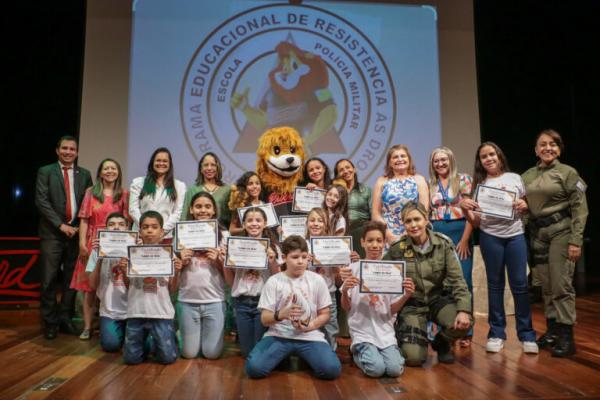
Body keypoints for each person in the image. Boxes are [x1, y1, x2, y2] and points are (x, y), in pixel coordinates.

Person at [460, 142, 538, 354]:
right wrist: (465, 210)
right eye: (484, 156)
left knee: (520, 285)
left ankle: (527, 334)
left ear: (499, 156)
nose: (489, 158)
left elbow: (524, 206)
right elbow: (475, 222)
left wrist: (525, 206)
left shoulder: (515, 178)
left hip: (515, 236)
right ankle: (496, 333)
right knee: (494, 285)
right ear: (480, 162)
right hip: (490, 237)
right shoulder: (478, 184)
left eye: (492, 154)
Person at [521, 130, 588, 357]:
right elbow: (525, 206)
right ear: (535, 150)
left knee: (561, 285)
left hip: (561, 232)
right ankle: (552, 331)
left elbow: (580, 208)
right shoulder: (527, 175)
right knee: (546, 286)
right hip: (537, 234)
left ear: (559, 149)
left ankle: (567, 338)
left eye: (553, 144)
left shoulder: (567, 173)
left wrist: (576, 241)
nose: (547, 148)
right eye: (542, 144)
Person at [384, 202, 472, 365]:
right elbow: (380, 274)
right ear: (403, 224)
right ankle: (406, 334)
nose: (413, 225)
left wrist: (463, 310)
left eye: (417, 219)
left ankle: (442, 342)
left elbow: (458, 280)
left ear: (426, 219)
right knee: (414, 359)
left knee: (464, 323)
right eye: (408, 221)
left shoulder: (443, 244)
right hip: (413, 306)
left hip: (438, 301)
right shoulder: (397, 249)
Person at [245, 235, 342, 380]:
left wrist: (310, 326)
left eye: (304, 257)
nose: (300, 261)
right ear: (284, 257)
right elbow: (265, 319)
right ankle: (284, 356)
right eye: (295, 257)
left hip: (309, 335)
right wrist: (281, 314)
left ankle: (300, 357)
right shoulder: (274, 281)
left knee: (331, 370)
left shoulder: (317, 280)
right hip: (279, 335)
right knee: (254, 369)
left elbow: (325, 314)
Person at [35, 135, 93, 339]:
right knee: (49, 279)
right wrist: (61, 226)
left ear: (77, 152)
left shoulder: (84, 174)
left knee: (71, 280)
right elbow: (41, 201)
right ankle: (50, 323)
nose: (68, 152)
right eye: (65, 148)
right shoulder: (46, 171)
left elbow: (88, 204)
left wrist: (78, 228)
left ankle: (64, 319)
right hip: (52, 233)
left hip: (76, 235)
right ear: (57, 150)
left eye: (72, 149)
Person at [340, 221, 415, 378]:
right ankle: (357, 351)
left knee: (394, 370)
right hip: (362, 332)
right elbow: (346, 307)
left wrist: (406, 295)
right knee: (376, 369)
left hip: (385, 331)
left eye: (379, 241)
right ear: (362, 242)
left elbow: (392, 309)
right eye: (370, 240)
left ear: (385, 243)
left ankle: (384, 353)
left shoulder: (393, 271)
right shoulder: (353, 269)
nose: (375, 245)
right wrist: (345, 289)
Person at [72, 158, 129, 340]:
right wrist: (82, 243)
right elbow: (84, 219)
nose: (110, 171)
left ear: (118, 172)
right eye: (106, 168)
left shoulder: (124, 194)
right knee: (89, 287)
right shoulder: (91, 192)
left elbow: (129, 222)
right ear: (100, 172)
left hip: (117, 245)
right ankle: (88, 326)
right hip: (93, 243)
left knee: (114, 281)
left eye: (113, 168)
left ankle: (112, 322)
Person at [119, 211, 181, 365]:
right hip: (136, 311)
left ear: (162, 232)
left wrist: (177, 270)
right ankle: (147, 342)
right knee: (130, 360)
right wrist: (122, 270)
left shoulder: (170, 255)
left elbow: (172, 289)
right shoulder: (131, 254)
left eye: (154, 227)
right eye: (145, 227)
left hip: (161, 312)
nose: (149, 230)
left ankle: (160, 340)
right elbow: (127, 286)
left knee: (167, 359)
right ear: (139, 231)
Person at [428, 147, 474, 347]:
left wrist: (464, 240)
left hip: (460, 231)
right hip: (437, 232)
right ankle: (444, 326)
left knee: (464, 280)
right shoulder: (430, 184)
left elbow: (471, 213)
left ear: (451, 160)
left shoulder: (463, 180)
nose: (440, 164)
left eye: (443, 160)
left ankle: (466, 329)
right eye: (436, 161)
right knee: (440, 281)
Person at [174, 192, 228, 359]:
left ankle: (207, 334)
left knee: (211, 354)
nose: (202, 210)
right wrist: (181, 261)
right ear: (191, 209)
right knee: (189, 354)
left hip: (215, 300)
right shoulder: (181, 233)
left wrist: (219, 260)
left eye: (207, 206)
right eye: (198, 206)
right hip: (187, 301)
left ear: (213, 211)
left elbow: (229, 277)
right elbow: (175, 271)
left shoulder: (224, 235)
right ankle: (179, 333)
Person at [222, 207, 281, 357]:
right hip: (241, 303)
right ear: (244, 223)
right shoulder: (235, 246)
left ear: (265, 223)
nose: (254, 224)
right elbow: (230, 281)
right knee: (247, 351)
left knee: (260, 350)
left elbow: (278, 279)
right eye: (249, 220)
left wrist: (273, 261)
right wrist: (224, 262)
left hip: (263, 303)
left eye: (258, 220)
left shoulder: (273, 248)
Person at [87, 212, 131, 352]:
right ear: (105, 229)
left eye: (121, 224)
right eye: (111, 225)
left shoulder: (135, 249)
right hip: (109, 311)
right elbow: (92, 285)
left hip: (133, 311)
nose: (116, 228)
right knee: (110, 346)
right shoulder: (97, 251)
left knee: (147, 346)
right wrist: (100, 257)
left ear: (127, 229)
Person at [373, 145, 429, 244]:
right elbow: (376, 214)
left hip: (414, 231)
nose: (400, 159)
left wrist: (410, 232)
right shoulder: (381, 181)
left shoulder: (419, 180)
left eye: (403, 156)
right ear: (390, 162)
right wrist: (386, 233)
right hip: (389, 235)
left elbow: (424, 211)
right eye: (395, 157)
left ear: (409, 159)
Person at [129, 147, 186, 242]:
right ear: (152, 163)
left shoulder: (179, 186)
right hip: (141, 236)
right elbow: (133, 209)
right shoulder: (138, 183)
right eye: (158, 160)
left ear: (170, 164)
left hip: (165, 236)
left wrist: (161, 231)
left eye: (165, 161)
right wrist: (145, 228)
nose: (161, 164)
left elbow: (177, 212)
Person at [305, 207, 340, 350]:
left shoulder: (333, 244)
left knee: (331, 327)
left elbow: (337, 276)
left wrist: (337, 262)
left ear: (326, 224)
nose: (316, 224)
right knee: (312, 326)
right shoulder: (303, 245)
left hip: (329, 293)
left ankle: (331, 352)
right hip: (308, 294)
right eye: (312, 220)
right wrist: (305, 262)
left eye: (320, 221)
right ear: (306, 223)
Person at [183, 152, 232, 228]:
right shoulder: (192, 190)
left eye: (213, 165)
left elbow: (232, 219)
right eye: (206, 165)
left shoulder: (227, 190)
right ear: (201, 169)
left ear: (218, 168)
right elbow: (184, 218)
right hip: (196, 234)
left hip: (221, 235)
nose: (209, 168)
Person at [334, 159, 372, 258]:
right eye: (341, 170)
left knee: (361, 265)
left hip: (361, 231)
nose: (345, 171)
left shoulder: (366, 190)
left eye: (348, 167)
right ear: (337, 174)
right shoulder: (334, 192)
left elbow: (374, 214)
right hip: (341, 232)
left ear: (354, 169)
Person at [228, 171, 267, 236]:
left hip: (264, 243)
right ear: (244, 187)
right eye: (250, 184)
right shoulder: (240, 205)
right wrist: (247, 228)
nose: (254, 186)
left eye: (257, 183)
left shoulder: (266, 205)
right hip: (247, 243)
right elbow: (231, 230)